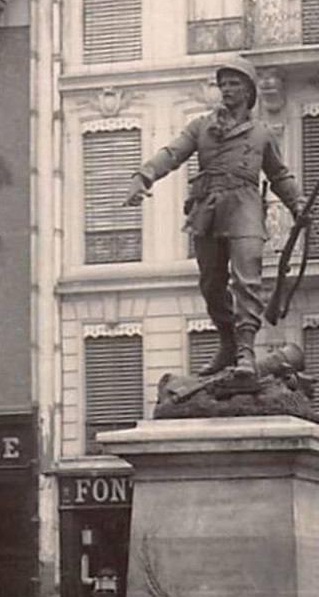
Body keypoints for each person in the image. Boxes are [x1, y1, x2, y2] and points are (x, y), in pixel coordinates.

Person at [124, 55, 305, 378]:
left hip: (246, 210)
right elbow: (173, 153)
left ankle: (246, 352)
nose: (226, 90)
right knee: (211, 285)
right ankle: (227, 343)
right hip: (207, 210)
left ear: (249, 92)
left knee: (247, 281)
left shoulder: (261, 134)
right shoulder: (201, 127)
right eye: (223, 84)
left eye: (234, 83)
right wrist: (144, 175)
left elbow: (279, 175)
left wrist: (298, 204)